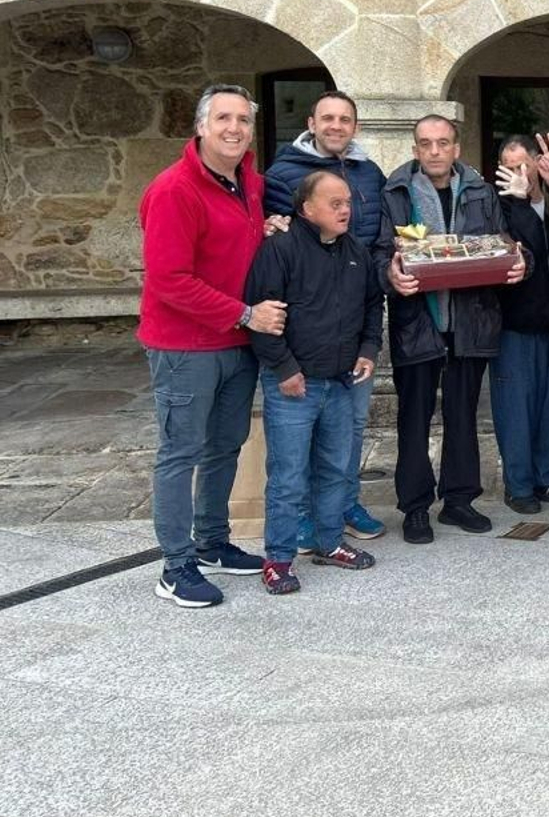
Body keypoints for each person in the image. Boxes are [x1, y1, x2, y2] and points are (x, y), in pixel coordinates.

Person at [140, 84, 281, 607]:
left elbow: (231, 249)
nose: (234, 128)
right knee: (180, 452)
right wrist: (245, 313)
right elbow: (169, 279)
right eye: (223, 118)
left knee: (225, 446)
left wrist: (265, 228)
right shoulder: (175, 189)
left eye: (243, 120)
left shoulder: (246, 182)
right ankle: (175, 567)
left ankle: (213, 542)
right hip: (185, 347)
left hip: (235, 342)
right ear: (201, 126)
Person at [375, 115, 525, 545]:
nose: (435, 151)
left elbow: (505, 239)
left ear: (457, 148)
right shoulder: (395, 191)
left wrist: (519, 259)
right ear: (416, 149)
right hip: (417, 322)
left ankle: (459, 500)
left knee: (462, 415)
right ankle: (416, 507)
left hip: (471, 319)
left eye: (443, 143)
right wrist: (390, 272)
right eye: (426, 143)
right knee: (414, 417)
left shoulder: (480, 191)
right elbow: (381, 250)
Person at [245, 170, 384, 594]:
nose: (346, 210)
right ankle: (280, 559)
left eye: (347, 202)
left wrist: (369, 349)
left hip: (342, 382)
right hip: (294, 386)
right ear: (307, 209)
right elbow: (260, 316)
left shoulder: (355, 251)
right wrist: (285, 369)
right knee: (288, 476)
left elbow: (372, 304)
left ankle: (328, 543)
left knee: (336, 470)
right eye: (334, 203)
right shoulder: (279, 250)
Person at [262, 89, 389, 543]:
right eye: (328, 118)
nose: (337, 126)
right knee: (300, 436)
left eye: (346, 119)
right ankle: (300, 516)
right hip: (307, 327)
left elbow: (379, 236)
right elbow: (267, 238)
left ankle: (343, 503)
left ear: (355, 126)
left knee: (350, 426)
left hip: (355, 313)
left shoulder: (369, 173)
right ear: (311, 123)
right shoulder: (282, 174)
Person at [492, 135, 549, 513]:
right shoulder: (498, 208)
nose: (518, 174)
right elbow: (527, 249)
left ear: (536, 164)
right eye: (509, 167)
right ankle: (519, 485)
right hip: (514, 325)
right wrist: (517, 201)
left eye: (522, 166)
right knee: (516, 409)